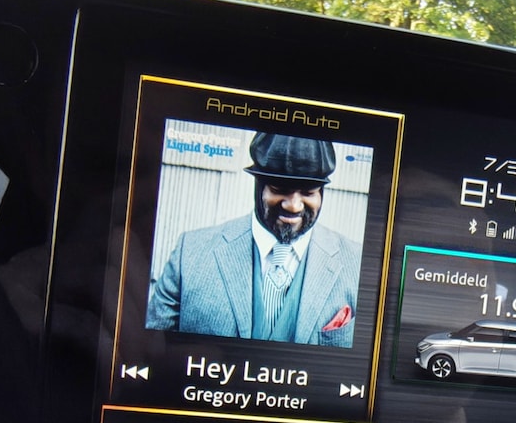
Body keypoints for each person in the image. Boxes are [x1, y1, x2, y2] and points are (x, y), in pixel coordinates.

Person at [146, 132, 359, 347]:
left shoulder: (357, 264)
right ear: (258, 186)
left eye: (308, 192)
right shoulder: (190, 253)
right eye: (279, 189)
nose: (294, 206)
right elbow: (152, 349)